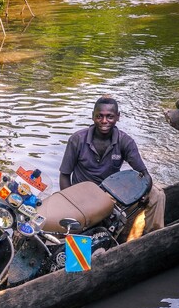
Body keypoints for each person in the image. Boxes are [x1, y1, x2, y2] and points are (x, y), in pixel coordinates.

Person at [59, 96, 165, 235]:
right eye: (99, 116)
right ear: (93, 117)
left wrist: (144, 191)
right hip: (82, 196)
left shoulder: (125, 141)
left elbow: (144, 174)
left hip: (110, 194)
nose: (104, 121)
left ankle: (154, 236)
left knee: (157, 194)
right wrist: (71, 203)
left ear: (117, 117)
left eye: (109, 117)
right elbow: (65, 175)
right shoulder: (77, 139)